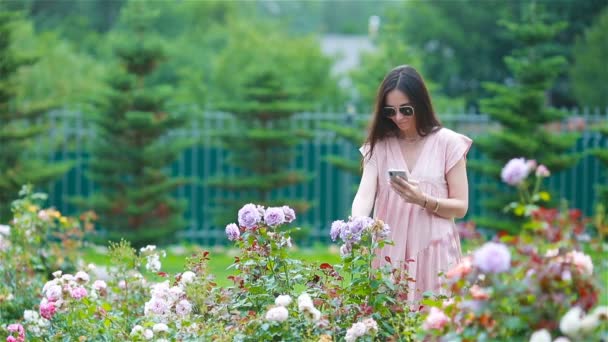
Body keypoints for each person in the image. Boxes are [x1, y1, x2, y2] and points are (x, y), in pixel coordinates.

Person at [351, 65, 472, 302]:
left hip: (434, 252)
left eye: (405, 110)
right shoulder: (379, 146)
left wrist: (423, 200)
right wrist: (356, 226)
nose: (398, 117)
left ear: (420, 104)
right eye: (390, 111)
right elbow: (364, 195)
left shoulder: (448, 143)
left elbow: (461, 206)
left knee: (435, 326)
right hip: (389, 252)